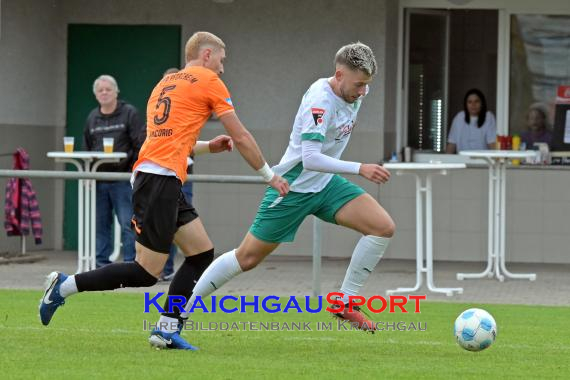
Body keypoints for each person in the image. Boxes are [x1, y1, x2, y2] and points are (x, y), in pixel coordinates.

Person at [39, 31, 290, 351]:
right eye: (222, 61)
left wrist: (209, 147)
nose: (223, 69)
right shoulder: (209, 80)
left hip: (162, 178)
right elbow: (240, 136)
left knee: (200, 252)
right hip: (158, 181)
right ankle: (63, 287)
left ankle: (167, 329)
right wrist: (269, 175)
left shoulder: (164, 86)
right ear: (207, 55)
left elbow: (166, 143)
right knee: (146, 272)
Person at [162, 42, 395, 348]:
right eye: (359, 85)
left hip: (324, 184)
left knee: (382, 227)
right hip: (294, 186)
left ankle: (345, 302)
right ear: (339, 75)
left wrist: (348, 168)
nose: (363, 92)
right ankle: (176, 319)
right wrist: (360, 167)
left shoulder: (356, 88)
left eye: (367, 85)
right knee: (246, 258)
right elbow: (310, 158)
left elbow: (322, 160)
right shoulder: (319, 101)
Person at [84, 75, 145, 267]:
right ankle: (102, 264)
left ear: (116, 92)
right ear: (95, 95)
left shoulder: (129, 113)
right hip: (99, 179)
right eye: (100, 90)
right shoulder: (93, 117)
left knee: (128, 223)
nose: (104, 93)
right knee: (101, 225)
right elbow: (87, 146)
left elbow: (139, 144)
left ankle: (130, 264)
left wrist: (133, 172)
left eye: (108, 89)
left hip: (122, 179)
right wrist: (88, 174)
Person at [158, 67, 195, 282]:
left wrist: (209, 146)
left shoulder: (185, 110)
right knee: (162, 228)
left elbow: (186, 144)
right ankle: (160, 268)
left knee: (182, 232)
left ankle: (169, 270)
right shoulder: (158, 110)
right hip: (159, 177)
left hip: (180, 177)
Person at [446, 88, 496, 154]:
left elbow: (492, 143)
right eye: (470, 102)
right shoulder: (459, 117)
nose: (473, 105)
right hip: (462, 160)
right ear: (466, 104)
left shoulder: (489, 117)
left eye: (476, 101)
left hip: (483, 161)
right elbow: (452, 143)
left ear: (482, 103)